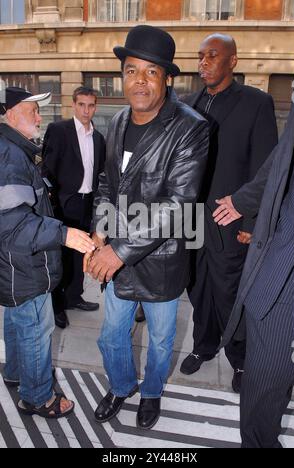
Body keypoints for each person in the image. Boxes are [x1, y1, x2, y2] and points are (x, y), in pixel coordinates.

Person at [84, 25, 209, 430]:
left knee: (158, 342)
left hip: (162, 259)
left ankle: (152, 392)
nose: (139, 81)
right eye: (131, 70)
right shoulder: (118, 119)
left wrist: (117, 250)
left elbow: (178, 204)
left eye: (150, 72)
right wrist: (102, 230)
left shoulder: (191, 127)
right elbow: (106, 183)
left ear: (167, 78)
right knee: (111, 338)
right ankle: (121, 386)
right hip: (119, 255)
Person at [180, 34, 278, 393]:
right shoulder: (188, 103)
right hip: (192, 220)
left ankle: (241, 358)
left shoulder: (257, 102)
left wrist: (252, 221)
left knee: (231, 292)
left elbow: (265, 166)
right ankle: (203, 346)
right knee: (197, 287)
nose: (203, 62)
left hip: (231, 218)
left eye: (212, 56)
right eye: (200, 55)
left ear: (233, 62)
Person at [212, 55, 294, 448]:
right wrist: (245, 201)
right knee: (265, 386)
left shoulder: (256, 103)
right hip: (282, 273)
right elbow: (286, 156)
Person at [0, 87, 95, 418]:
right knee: (35, 329)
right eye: (32, 111)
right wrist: (64, 233)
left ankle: (14, 373)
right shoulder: (9, 156)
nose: (40, 117)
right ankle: (39, 398)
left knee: (16, 319)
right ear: (10, 115)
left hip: (13, 266)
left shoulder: (13, 149)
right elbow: (13, 225)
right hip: (24, 265)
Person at [42, 87, 106, 329]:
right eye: (81, 105)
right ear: (74, 105)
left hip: (87, 203)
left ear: (95, 107)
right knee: (60, 255)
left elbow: (99, 173)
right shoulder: (59, 130)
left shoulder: (99, 138)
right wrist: (51, 202)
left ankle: (74, 297)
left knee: (83, 252)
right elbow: (46, 169)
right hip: (63, 203)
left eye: (90, 105)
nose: (86, 110)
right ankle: (57, 305)